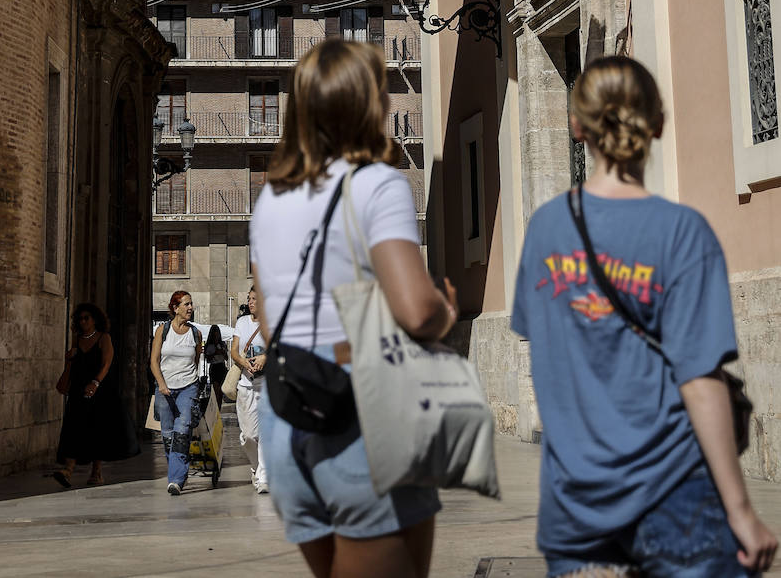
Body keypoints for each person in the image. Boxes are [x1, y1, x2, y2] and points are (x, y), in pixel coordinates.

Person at [512, 55, 778, 578]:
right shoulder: (682, 233)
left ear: (576, 126)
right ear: (657, 123)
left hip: (575, 509)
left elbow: (547, 352)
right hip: (675, 495)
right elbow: (699, 379)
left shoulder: (544, 230)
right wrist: (742, 512)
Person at [250, 39, 457, 578]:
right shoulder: (376, 183)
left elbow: (271, 323)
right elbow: (415, 310)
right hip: (360, 407)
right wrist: (445, 312)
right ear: (365, 103)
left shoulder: (270, 198)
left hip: (288, 412)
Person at [53, 302, 139, 488]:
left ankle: (96, 472)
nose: (83, 322)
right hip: (78, 390)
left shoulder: (103, 338)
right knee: (73, 428)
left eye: (87, 318)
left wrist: (95, 383)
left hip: (99, 391)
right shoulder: (77, 340)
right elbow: (73, 364)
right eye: (80, 319)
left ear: (95, 320)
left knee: (96, 431)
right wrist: (69, 360)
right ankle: (68, 470)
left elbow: (107, 363)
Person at [150, 289, 201, 496]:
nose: (190, 308)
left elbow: (196, 360)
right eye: (186, 304)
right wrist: (161, 384)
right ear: (175, 308)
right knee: (168, 435)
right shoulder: (162, 330)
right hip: (165, 388)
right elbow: (153, 361)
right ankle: (179, 471)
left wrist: (192, 381)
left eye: (191, 304)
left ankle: (176, 479)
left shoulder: (195, 333)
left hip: (188, 386)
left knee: (183, 430)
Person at [232, 285, 269, 493]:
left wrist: (265, 357)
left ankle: (264, 476)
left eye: (254, 299)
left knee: (264, 433)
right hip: (246, 384)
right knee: (248, 436)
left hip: (266, 385)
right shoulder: (241, 322)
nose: (250, 302)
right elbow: (234, 351)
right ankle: (255, 466)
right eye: (249, 298)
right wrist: (244, 362)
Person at [204, 323, 230, 408]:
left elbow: (226, 358)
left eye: (217, 332)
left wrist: (223, 352)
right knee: (215, 390)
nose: (216, 335)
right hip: (214, 367)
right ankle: (215, 409)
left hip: (222, 366)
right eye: (215, 333)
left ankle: (219, 408)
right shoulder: (209, 345)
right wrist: (215, 352)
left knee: (221, 391)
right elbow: (207, 358)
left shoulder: (222, 344)